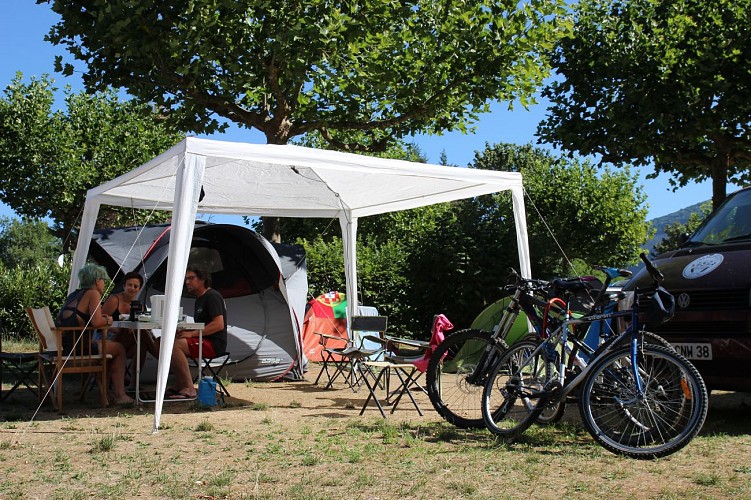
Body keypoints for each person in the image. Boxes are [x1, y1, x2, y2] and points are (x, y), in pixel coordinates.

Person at [56, 263, 134, 405]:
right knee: (119, 349)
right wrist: (108, 320)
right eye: (104, 280)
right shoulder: (93, 293)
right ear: (97, 281)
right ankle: (120, 394)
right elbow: (97, 322)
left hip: (65, 345)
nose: (104, 284)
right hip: (77, 349)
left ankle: (106, 391)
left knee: (110, 346)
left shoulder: (76, 293)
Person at [166, 265, 227, 399]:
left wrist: (192, 334)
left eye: (191, 278)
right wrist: (186, 330)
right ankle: (180, 383)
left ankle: (189, 388)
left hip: (213, 343)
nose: (187, 282)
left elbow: (218, 324)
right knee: (163, 342)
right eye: (186, 279)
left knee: (175, 345)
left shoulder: (212, 296)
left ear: (202, 279)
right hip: (203, 339)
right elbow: (203, 324)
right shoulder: (199, 298)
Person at [102, 271, 160, 390]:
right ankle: (160, 356)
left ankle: (134, 383)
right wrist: (114, 328)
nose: (132, 288)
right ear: (124, 286)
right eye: (129, 285)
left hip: (128, 343)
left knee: (142, 344)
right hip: (111, 339)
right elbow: (100, 321)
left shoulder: (139, 306)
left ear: (139, 289)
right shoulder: (114, 300)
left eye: (135, 286)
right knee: (140, 333)